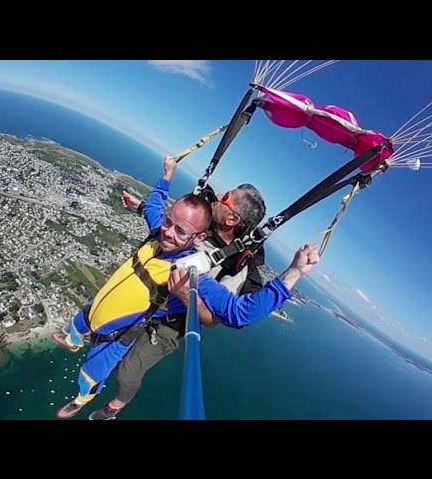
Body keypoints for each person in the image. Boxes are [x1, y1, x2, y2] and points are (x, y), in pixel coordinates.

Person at [87, 154, 270, 420]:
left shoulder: (235, 263)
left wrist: (186, 296)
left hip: (170, 322)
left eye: (225, 198)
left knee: (128, 372)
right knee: (104, 331)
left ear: (232, 219)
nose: (217, 196)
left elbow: (213, 319)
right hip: (147, 299)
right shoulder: (202, 222)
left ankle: (115, 406)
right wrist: (141, 207)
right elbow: (171, 228)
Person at [52, 192, 213, 419]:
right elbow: (153, 210)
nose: (169, 231)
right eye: (169, 222)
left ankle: (80, 401)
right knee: (79, 322)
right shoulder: (159, 236)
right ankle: (73, 340)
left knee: (90, 376)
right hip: (99, 307)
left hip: (119, 334)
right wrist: (166, 178)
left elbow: (232, 312)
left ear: (198, 238)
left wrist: (281, 287)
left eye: (181, 231)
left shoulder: (186, 272)